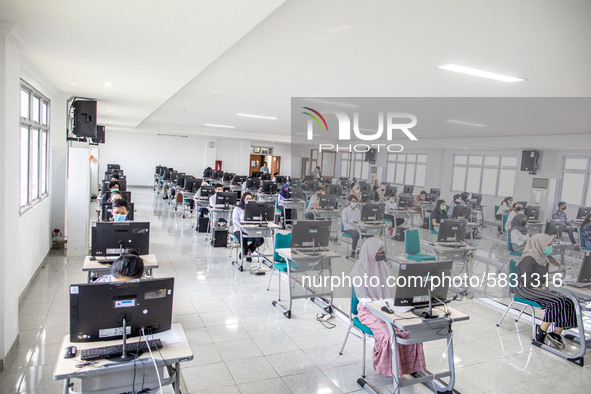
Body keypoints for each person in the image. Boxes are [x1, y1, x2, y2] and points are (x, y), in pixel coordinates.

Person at [350, 238, 426, 377]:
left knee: (409, 329)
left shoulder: (382, 266)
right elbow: (363, 297)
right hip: (368, 310)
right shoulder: (359, 269)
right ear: (371, 251)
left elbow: (391, 289)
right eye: (379, 250)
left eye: (382, 250)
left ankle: (408, 366)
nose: (382, 253)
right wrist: (379, 308)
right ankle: (390, 369)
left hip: (387, 306)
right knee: (388, 335)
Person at [514, 233, 576, 348]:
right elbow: (528, 282)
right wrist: (543, 285)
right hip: (525, 289)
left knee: (568, 301)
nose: (550, 247)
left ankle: (556, 334)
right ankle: (541, 331)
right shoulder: (528, 259)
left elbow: (544, 278)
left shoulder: (543, 259)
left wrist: (550, 283)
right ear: (540, 245)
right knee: (556, 301)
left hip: (538, 288)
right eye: (549, 245)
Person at [233, 192, 264, 262]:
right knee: (243, 239)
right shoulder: (237, 208)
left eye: (250, 199)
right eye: (247, 198)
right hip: (239, 230)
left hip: (252, 229)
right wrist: (242, 225)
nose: (248, 200)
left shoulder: (254, 208)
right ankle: (246, 253)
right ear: (243, 199)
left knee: (260, 240)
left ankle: (248, 251)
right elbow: (235, 222)